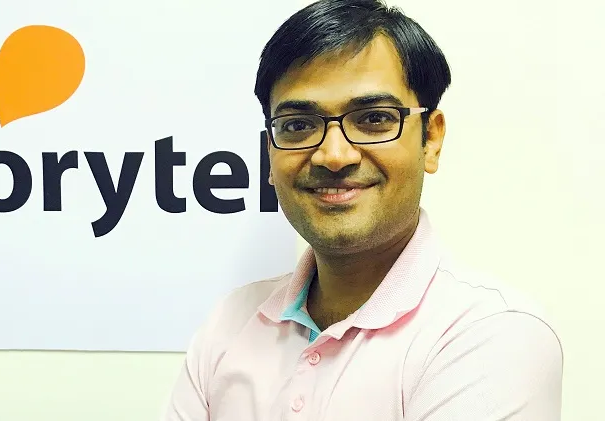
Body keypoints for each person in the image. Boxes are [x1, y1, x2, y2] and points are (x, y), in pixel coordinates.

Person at [162, 0, 563, 420]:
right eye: (298, 125)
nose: (334, 156)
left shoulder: (491, 332)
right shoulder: (230, 322)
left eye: (373, 119)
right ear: (269, 153)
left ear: (431, 139)